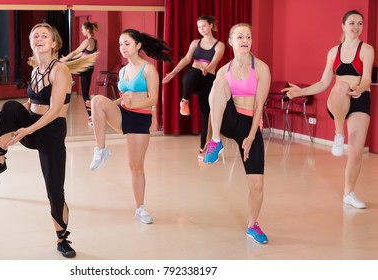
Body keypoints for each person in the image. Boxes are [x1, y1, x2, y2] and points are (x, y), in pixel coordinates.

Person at [0, 23, 96, 258]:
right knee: (10, 107)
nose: (39, 38)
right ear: (31, 42)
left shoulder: (59, 69)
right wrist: (0, 118)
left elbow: (53, 110)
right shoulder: (35, 70)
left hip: (51, 131)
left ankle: (62, 239)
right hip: (32, 125)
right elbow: (30, 105)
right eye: (35, 35)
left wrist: (26, 129)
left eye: (44, 35)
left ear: (54, 43)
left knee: (55, 191)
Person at [282, 10, 374, 209]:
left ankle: (348, 193)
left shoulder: (366, 49)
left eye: (360, 23)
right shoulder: (334, 52)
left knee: (356, 153)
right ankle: (339, 133)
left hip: (359, 98)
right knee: (340, 86)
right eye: (352, 23)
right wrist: (301, 92)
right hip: (338, 100)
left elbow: (367, 77)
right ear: (343, 26)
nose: (356, 27)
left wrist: (361, 87)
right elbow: (324, 83)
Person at [89, 28, 172, 224]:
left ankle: (140, 208)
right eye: (120, 44)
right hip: (124, 112)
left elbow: (153, 99)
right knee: (98, 101)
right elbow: (123, 99)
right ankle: (101, 150)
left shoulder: (149, 69)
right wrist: (100, 111)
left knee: (136, 167)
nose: (122, 47)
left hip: (140, 118)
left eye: (126, 43)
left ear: (138, 45)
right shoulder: (123, 70)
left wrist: (134, 104)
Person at [204, 23, 271, 244]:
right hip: (229, 119)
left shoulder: (261, 68)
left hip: (249, 123)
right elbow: (216, 104)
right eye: (239, 37)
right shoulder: (225, 70)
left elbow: (259, 105)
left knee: (257, 185)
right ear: (231, 41)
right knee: (218, 83)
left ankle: (253, 226)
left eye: (248, 36)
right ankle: (216, 142)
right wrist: (210, 138)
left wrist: (252, 136)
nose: (245, 40)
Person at [162, 15, 225, 160]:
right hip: (194, 79)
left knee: (206, 116)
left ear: (210, 25)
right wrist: (172, 74)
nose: (201, 29)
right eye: (199, 27)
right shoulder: (195, 43)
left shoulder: (219, 45)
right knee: (191, 74)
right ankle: (184, 101)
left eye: (203, 26)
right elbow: (186, 59)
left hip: (207, 80)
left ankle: (204, 148)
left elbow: (215, 61)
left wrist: (207, 68)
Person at [60, 21, 99, 126]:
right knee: (85, 93)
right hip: (88, 68)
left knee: (85, 94)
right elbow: (82, 54)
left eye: (82, 29)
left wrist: (64, 60)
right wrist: (68, 59)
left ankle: (91, 117)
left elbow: (75, 52)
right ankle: (70, 80)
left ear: (87, 30)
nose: (82, 31)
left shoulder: (87, 41)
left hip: (85, 69)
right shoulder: (94, 41)